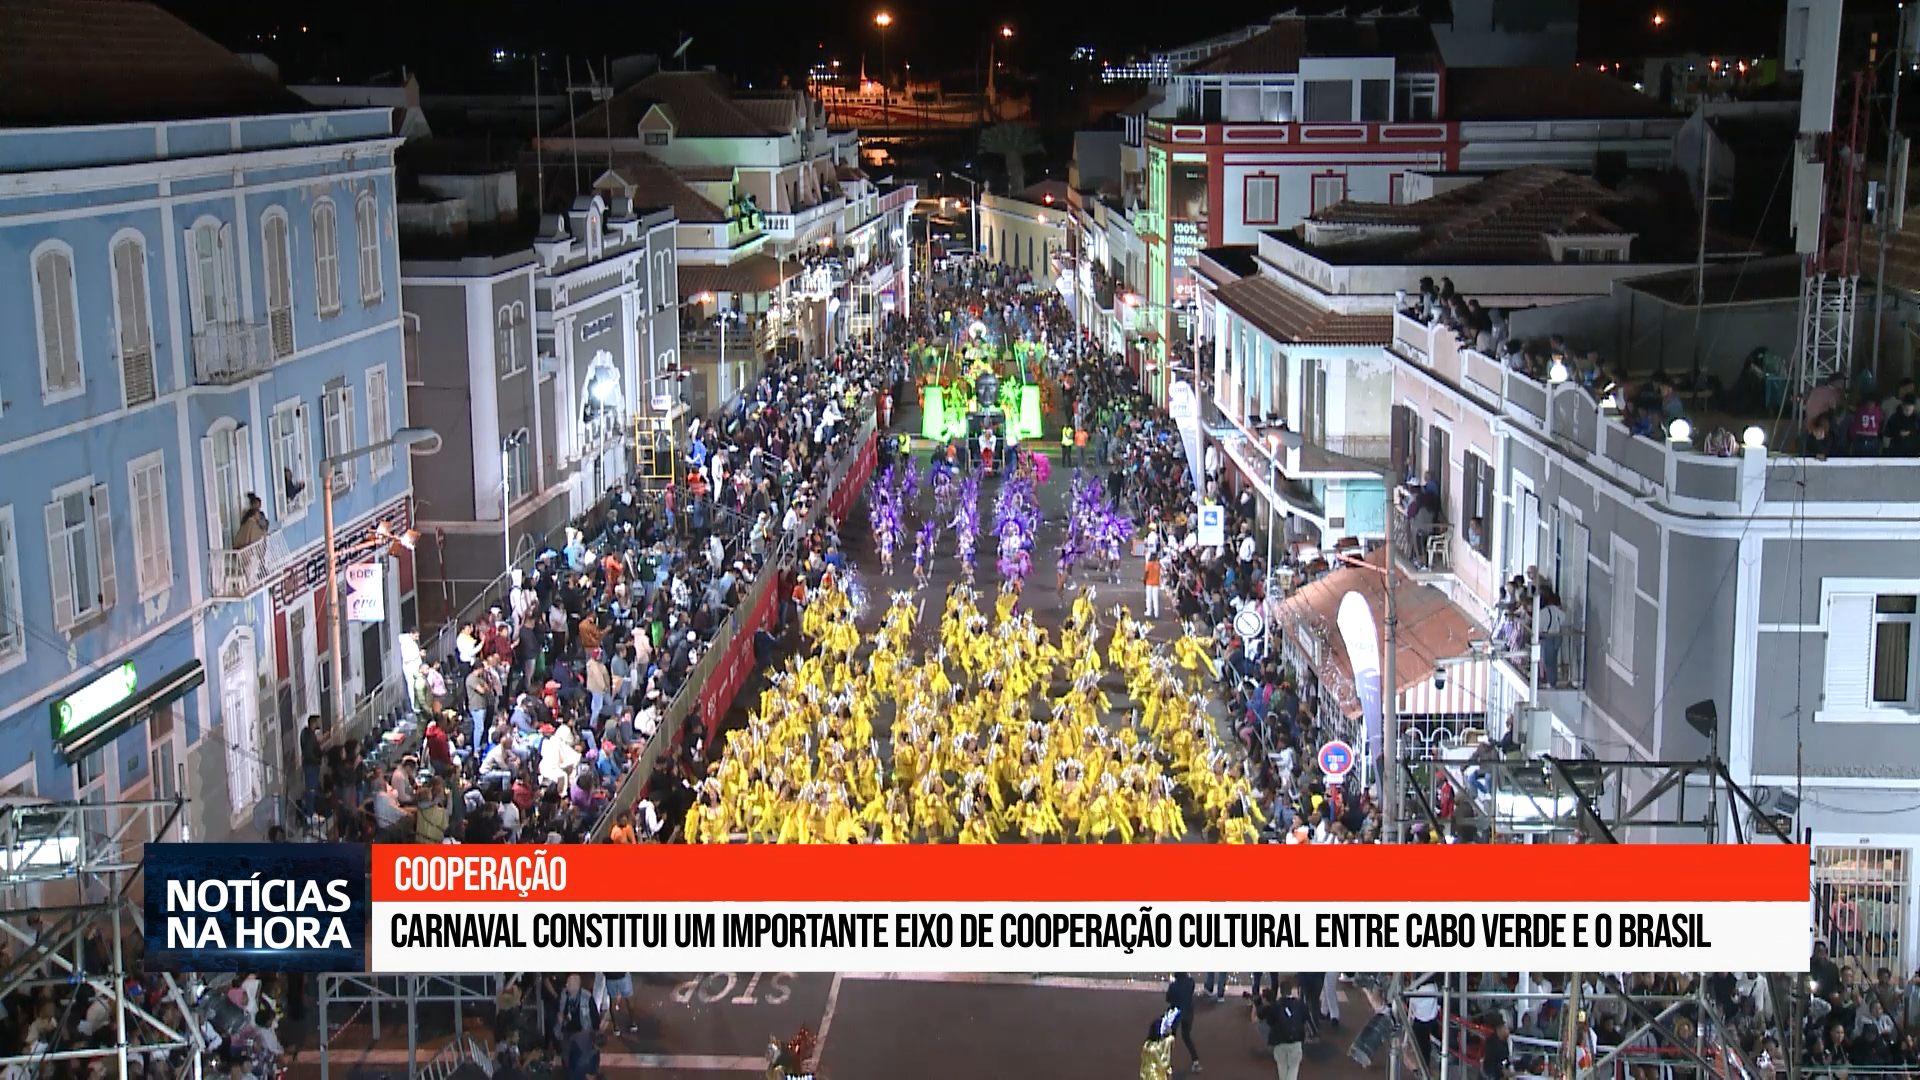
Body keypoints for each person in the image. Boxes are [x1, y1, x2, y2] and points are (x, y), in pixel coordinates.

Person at [1257, 979, 1308, 1080]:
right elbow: (1305, 1018)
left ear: (1280, 991)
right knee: (1293, 1069)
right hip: (1296, 1041)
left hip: (1279, 1042)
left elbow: (1269, 1021)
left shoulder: (1275, 1006)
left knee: (1282, 1069)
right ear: (1291, 990)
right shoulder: (1300, 1005)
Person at [1164, 973, 1201, 1072]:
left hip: (1175, 1013)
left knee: (1170, 1038)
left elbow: (1168, 999)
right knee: (1186, 1036)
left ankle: (1166, 1062)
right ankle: (1196, 1061)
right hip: (1188, 1012)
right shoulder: (1190, 982)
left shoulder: (1173, 986)